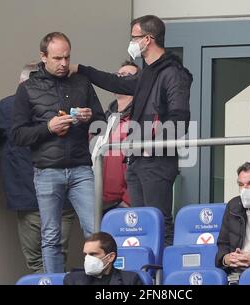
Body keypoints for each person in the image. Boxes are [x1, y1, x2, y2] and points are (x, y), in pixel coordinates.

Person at [71, 15, 193, 246]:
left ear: (148, 39)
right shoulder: (148, 72)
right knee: (141, 225)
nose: (132, 42)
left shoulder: (173, 73)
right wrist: (81, 69)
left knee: (159, 223)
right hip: (137, 160)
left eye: (134, 38)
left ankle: (162, 279)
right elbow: (116, 83)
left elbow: (179, 120)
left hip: (156, 160)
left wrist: (150, 143)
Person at [12, 32, 106, 273]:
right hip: (46, 170)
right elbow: (18, 135)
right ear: (43, 57)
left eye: (67, 57)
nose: (64, 63)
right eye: (57, 58)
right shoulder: (28, 89)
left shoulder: (81, 82)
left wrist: (89, 118)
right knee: (51, 236)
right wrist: (48, 127)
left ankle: (102, 283)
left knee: (96, 232)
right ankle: (53, 281)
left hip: (81, 168)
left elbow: (102, 124)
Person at [0, 63, 76, 273]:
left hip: (32, 199)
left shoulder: (10, 107)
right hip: (64, 196)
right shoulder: (64, 106)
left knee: (37, 262)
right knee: (57, 258)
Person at [91, 61, 140, 212]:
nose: (119, 78)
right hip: (99, 201)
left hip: (123, 205)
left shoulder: (138, 119)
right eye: (117, 75)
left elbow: (141, 164)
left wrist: (127, 199)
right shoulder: (104, 119)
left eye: (126, 75)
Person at [64, 232, 142, 285]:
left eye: (93, 254)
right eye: (86, 254)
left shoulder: (130, 280)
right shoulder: (72, 280)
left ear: (110, 257)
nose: (87, 258)